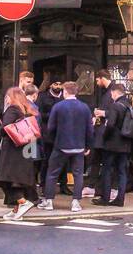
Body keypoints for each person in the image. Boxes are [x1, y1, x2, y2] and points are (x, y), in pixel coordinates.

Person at [38, 79, 94, 213]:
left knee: (52, 173)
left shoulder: (58, 107)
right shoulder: (84, 107)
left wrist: (53, 141)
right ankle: (75, 203)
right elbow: (89, 129)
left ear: (65, 92)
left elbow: (51, 127)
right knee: (78, 175)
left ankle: (49, 201)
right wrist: (88, 146)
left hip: (61, 145)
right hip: (79, 146)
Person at [0, 86, 42, 220]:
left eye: (7, 96)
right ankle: (16, 210)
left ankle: (23, 202)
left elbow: (5, 129)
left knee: (6, 179)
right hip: (25, 149)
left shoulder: (12, 110)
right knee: (17, 180)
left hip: (12, 150)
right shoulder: (28, 110)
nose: (6, 99)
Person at [94, 82, 132, 208]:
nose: (111, 95)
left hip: (112, 144)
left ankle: (105, 198)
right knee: (122, 172)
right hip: (125, 143)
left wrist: (104, 136)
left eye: (112, 93)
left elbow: (110, 124)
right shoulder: (128, 105)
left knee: (107, 170)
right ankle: (120, 199)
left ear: (115, 92)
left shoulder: (115, 106)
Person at [35, 77, 68, 195]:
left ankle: (64, 185)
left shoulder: (65, 97)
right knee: (46, 160)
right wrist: (53, 115)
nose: (58, 86)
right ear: (50, 85)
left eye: (60, 84)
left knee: (64, 160)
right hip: (47, 133)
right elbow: (38, 113)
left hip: (62, 133)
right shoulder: (42, 97)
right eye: (55, 84)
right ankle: (44, 185)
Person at [88, 68, 112, 197]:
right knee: (96, 158)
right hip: (100, 132)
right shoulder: (106, 92)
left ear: (102, 78)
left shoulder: (112, 92)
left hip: (106, 133)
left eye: (97, 80)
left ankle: (102, 188)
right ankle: (92, 186)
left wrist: (102, 113)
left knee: (104, 161)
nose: (96, 83)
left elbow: (118, 111)